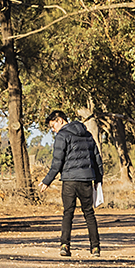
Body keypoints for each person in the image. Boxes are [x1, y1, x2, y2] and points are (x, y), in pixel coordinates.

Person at [40, 109, 103, 257]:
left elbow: (57, 162)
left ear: (60, 120)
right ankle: (95, 248)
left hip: (69, 181)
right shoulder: (88, 134)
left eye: (53, 126)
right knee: (89, 214)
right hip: (87, 180)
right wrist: (98, 180)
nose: (53, 130)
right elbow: (97, 158)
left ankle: (65, 245)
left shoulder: (62, 136)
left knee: (68, 213)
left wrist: (47, 181)